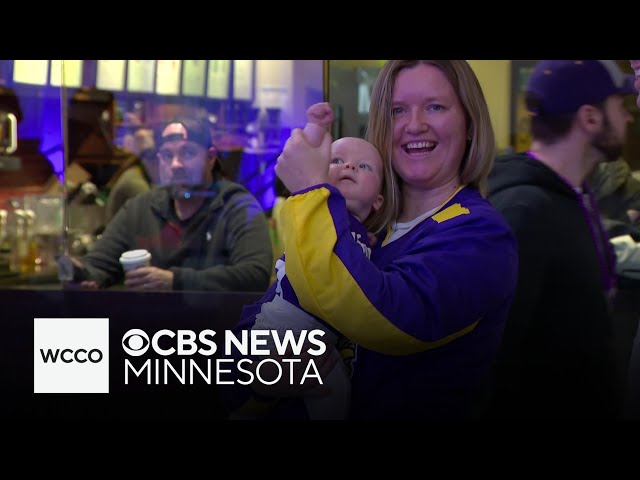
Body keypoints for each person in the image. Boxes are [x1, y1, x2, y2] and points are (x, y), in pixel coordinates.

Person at [256, 60, 518, 420]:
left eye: (435, 106)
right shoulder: (366, 223)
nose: (415, 125)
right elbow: (283, 294)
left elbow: (387, 318)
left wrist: (309, 194)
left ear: (470, 123)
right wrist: (248, 369)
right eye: (398, 110)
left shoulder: (481, 235)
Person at [486, 60, 636, 419]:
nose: (629, 119)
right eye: (619, 106)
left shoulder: (574, 197)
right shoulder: (526, 210)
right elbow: (497, 355)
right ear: (590, 117)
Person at [235, 102, 388, 420]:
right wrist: (316, 128)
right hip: (285, 325)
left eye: (363, 167)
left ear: (378, 201)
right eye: (337, 160)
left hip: (318, 335)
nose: (348, 167)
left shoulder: (364, 238)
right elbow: (309, 157)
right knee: (330, 393)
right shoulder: (319, 215)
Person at [59, 116, 272, 292]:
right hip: (147, 332)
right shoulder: (141, 208)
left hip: (216, 332)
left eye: (187, 153)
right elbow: (99, 264)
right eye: (168, 156)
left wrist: (175, 281)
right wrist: (82, 273)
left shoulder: (237, 206)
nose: (175, 165)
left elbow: (254, 276)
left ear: (210, 158)